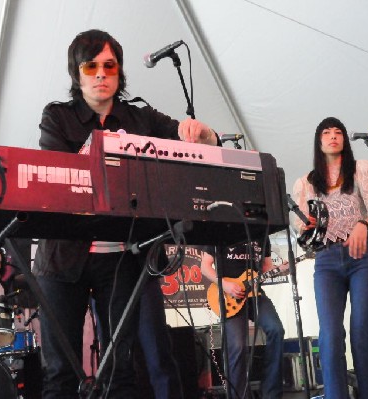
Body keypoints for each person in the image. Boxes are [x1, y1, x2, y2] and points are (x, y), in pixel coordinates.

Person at [34, 29, 219, 399]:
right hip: (62, 257)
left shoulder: (141, 117)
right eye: (91, 66)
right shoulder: (56, 117)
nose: (101, 74)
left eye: (109, 65)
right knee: (60, 373)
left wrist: (205, 134)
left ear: (119, 72)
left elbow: (196, 141)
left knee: (121, 369)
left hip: (123, 258)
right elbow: (63, 176)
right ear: (77, 73)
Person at [292, 116, 368, 399]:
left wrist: (362, 224)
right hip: (327, 260)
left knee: (361, 332)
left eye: (338, 132)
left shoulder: (361, 169)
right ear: (319, 142)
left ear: (344, 139)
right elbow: (301, 225)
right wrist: (305, 224)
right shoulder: (307, 182)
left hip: (363, 257)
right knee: (330, 337)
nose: (333, 136)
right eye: (327, 132)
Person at [200, 239, 287, 399]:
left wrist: (282, 269)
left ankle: (271, 393)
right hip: (230, 295)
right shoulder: (222, 227)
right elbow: (205, 266)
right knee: (237, 346)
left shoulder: (261, 231)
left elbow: (266, 267)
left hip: (255, 293)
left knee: (276, 329)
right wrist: (225, 285)